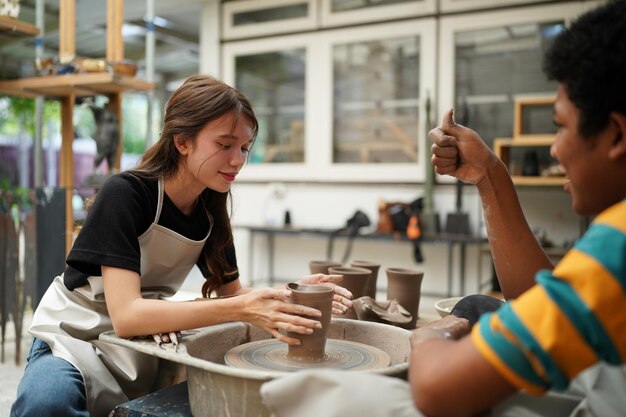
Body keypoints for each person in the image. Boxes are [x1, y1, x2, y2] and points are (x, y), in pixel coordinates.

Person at [259, 1, 626, 416]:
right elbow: (540, 303)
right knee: (475, 306)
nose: (554, 148)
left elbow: (437, 391)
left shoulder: (619, 245)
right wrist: (489, 174)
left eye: (559, 126)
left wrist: (428, 339)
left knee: (333, 399)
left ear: (616, 134)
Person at [10, 75, 353, 417]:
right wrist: (243, 307)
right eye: (224, 145)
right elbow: (128, 315)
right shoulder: (125, 194)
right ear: (182, 141)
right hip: (73, 338)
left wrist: (288, 293)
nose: (238, 160)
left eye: (244, 148)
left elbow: (232, 295)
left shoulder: (211, 210)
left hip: (140, 344)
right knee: (46, 404)